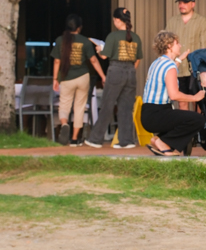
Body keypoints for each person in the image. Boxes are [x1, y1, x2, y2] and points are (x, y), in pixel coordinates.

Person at [140, 30, 206, 156]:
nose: (180, 45)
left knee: (179, 117)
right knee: (197, 119)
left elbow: (169, 71)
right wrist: (195, 97)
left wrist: (180, 59)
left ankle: (159, 140)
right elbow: (174, 95)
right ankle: (163, 142)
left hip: (148, 114)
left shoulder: (157, 62)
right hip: (157, 114)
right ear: (169, 46)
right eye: (177, 43)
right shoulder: (170, 66)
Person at [85, 8, 142, 149]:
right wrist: (130, 70)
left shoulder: (113, 36)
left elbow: (104, 56)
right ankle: (127, 141)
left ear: (117, 20)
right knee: (126, 108)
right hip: (131, 72)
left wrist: (99, 50)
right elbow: (138, 59)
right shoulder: (136, 37)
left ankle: (96, 139)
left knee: (107, 104)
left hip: (116, 70)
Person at [51, 14, 105, 146]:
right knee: (79, 107)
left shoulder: (60, 40)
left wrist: (55, 79)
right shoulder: (85, 41)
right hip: (82, 77)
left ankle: (64, 124)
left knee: (64, 105)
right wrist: (103, 76)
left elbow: (57, 61)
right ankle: (75, 139)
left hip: (66, 78)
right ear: (79, 28)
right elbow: (93, 60)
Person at [165, 0, 206, 73]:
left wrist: (203, 71)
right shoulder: (171, 22)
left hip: (194, 70)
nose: (181, 5)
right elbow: (166, 47)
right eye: (180, 3)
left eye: (185, 3)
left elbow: (205, 49)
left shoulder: (202, 22)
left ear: (193, 4)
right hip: (175, 70)